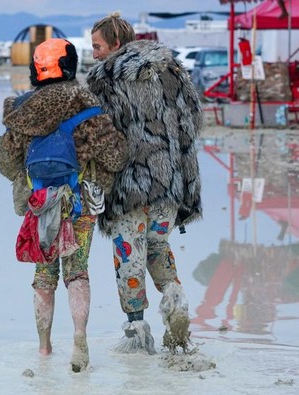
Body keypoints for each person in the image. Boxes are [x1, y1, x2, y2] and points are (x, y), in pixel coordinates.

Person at [0, 38, 127, 371]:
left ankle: (43, 348)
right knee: (77, 271)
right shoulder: (85, 104)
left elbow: (6, 162)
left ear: (36, 69)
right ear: (69, 66)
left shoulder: (22, 109)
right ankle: (80, 337)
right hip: (79, 201)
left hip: (39, 204)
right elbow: (115, 155)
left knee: (44, 275)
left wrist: (30, 181)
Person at [86, 12, 203, 353]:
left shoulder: (106, 79)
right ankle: (176, 302)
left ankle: (137, 331)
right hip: (170, 184)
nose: (93, 54)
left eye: (97, 46)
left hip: (129, 188)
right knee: (158, 248)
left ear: (116, 44)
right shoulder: (172, 70)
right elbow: (192, 120)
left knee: (129, 257)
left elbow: (101, 138)